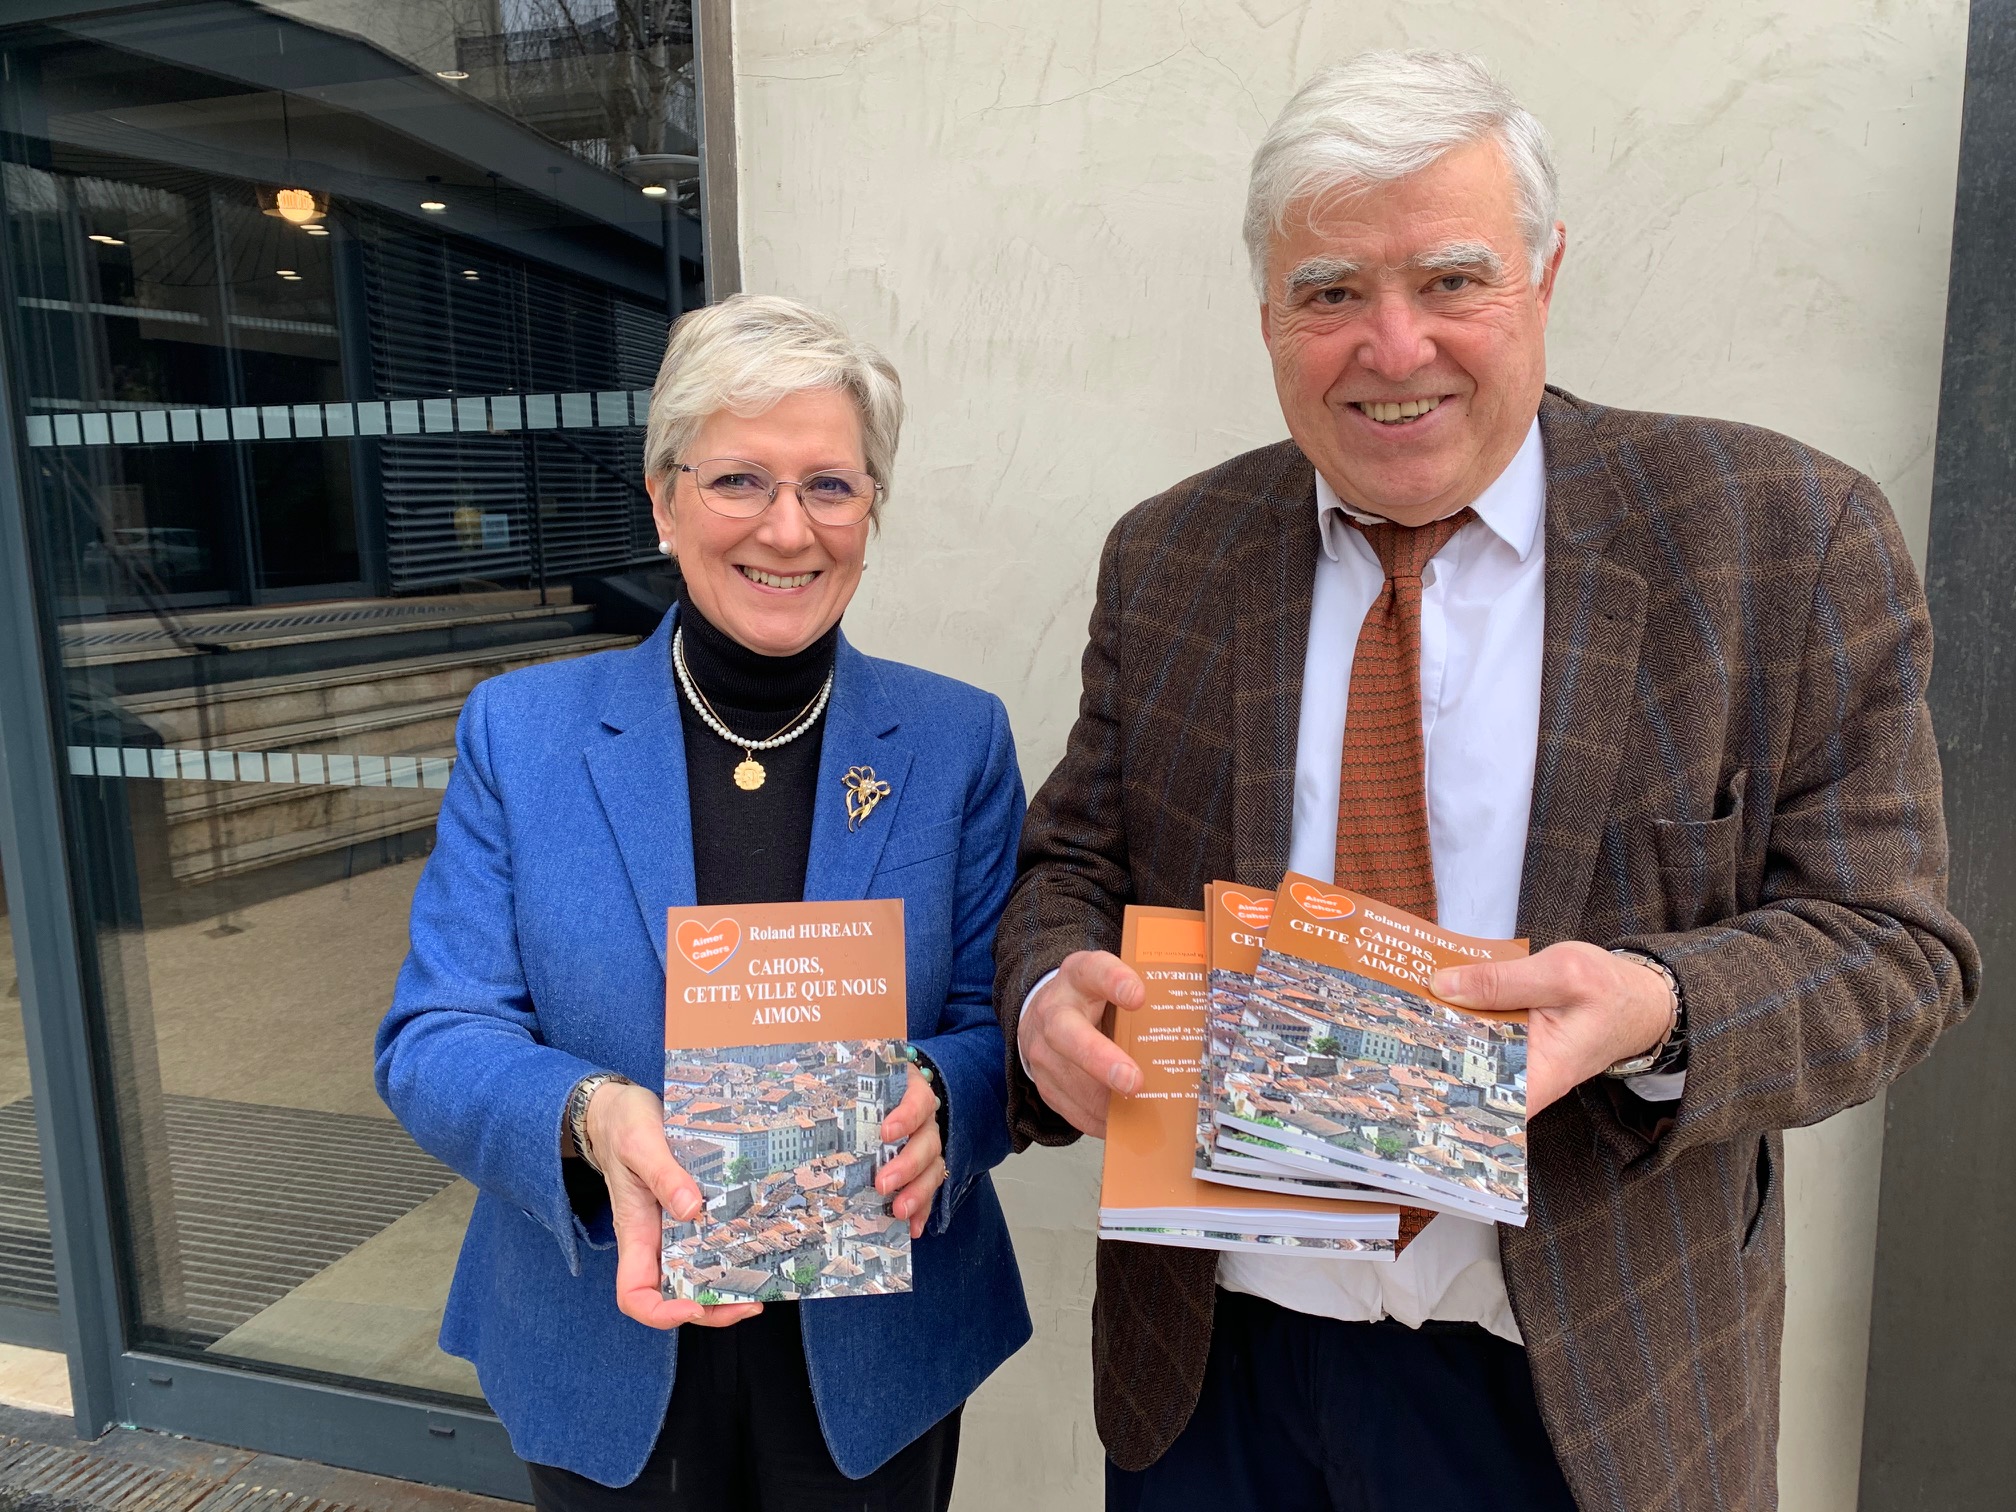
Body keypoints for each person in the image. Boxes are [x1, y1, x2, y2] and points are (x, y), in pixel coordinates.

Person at [996, 49, 1979, 1512]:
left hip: (1588, 1395)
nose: (1394, 347)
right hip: (1219, 1378)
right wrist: (1047, 999)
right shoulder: (1172, 555)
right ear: (1267, 314)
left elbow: (1896, 951)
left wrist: (1658, 1006)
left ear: (1545, 272)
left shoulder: (1780, 535)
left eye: (1452, 280)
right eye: (1332, 291)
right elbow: (1071, 867)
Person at [377, 294, 1031, 1512]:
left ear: (872, 509)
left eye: (830, 485)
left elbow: (1002, 1024)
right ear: (663, 498)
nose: (788, 528)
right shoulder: (523, 733)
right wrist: (586, 1115)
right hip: (601, 1332)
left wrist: (943, 1095)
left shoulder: (955, 741)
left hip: (875, 1351)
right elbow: (435, 1037)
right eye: (738, 480)